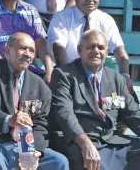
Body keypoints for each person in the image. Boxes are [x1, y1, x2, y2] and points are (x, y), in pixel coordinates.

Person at [0, 33, 69, 170]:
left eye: (32, 51)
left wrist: (36, 150)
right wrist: (8, 120)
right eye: (23, 48)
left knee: (59, 162)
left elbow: (40, 123)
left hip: (25, 146)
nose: (27, 54)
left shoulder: (40, 85)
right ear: (8, 51)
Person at [50, 30, 140, 170]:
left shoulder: (117, 79)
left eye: (101, 47)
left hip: (110, 140)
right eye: (90, 47)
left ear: (107, 51)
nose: (96, 51)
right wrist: (84, 142)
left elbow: (132, 113)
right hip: (79, 140)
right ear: (80, 50)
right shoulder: (64, 75)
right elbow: (64, 113)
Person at [49, 0, 132, 89]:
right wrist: (67, 76)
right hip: (68, 71)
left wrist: (125, 75)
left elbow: (119, 49)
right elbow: (58, 48)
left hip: (96, 73)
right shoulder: (61, 17)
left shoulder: (106, 19)